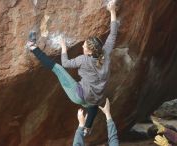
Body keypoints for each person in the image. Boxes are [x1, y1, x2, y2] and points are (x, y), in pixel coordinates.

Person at [25, 0, 119, 134]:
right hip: (94, 98)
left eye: (84, 46)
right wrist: (112, 11)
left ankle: (32, 47)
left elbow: (65, 64)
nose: (82, 46)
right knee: (93, 101)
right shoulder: (106, 53)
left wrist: (63, 48)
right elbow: (113, 34)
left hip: (79, 96)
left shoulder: (83, 60)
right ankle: (87, 128)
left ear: (90, 51)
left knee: (58, 69)